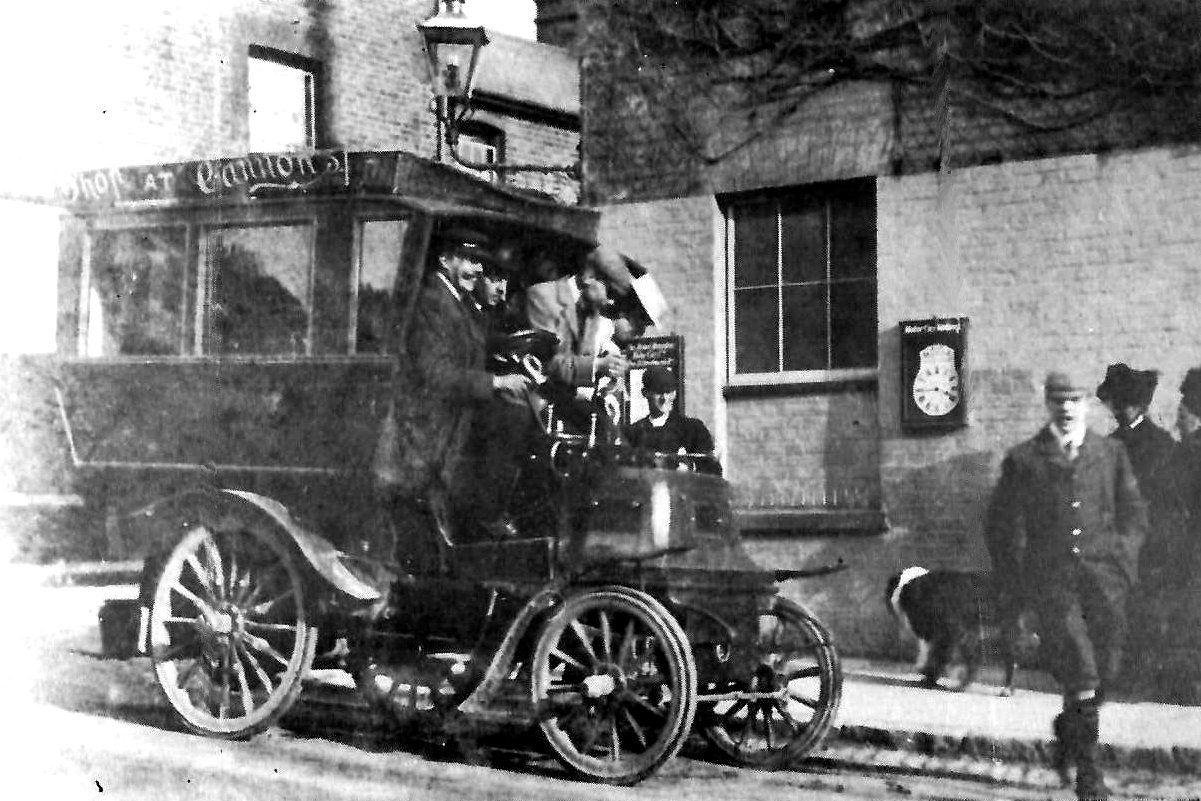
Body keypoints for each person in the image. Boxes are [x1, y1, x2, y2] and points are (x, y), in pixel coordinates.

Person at [984, 370, 1147, 801]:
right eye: (1059, 399)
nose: (1067, 407)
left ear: (1087, 403)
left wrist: (1123, 562)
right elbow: (1003, 528)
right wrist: (1021, 585)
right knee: (1083, 671)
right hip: (1054, 586)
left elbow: (1134, 513)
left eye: (1075, 399)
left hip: (1105, 583)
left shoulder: (1110, 453)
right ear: (1047, 404)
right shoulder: (1024, 459)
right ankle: (1089, 776)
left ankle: (1066, 730)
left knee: (1108, 669)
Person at [373, 227, 533, 543]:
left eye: (479, 263)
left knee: (522, 415)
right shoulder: (432, 301)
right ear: (445, 260)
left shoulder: (458, 302)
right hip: (427, 420)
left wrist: (525, 353)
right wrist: (498, 381)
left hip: (451, 411)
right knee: (512, 417)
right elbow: (437, 374)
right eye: (469, 259)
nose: (477, 270)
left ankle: (496, 514)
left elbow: (482, 344)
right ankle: (484, 515)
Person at [1095, 364, 1180, 692]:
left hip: (1150, 545)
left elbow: (1168, 501)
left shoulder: (1161, 445)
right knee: (1117, 610)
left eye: (1117, 403)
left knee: (1144, 610)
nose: (1114, 409)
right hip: (1119, 544)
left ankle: (1139, 679)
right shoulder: (1110, 444)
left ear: (1131, 404)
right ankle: (1118, 675)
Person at [625, 365, 715, 458]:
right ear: (645, 393)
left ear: (674, 394)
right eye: (658, 392)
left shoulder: (692, 429)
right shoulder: (633, 433)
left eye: (668, 392)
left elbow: (711, 466)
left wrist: (689, 466)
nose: (664, 398)